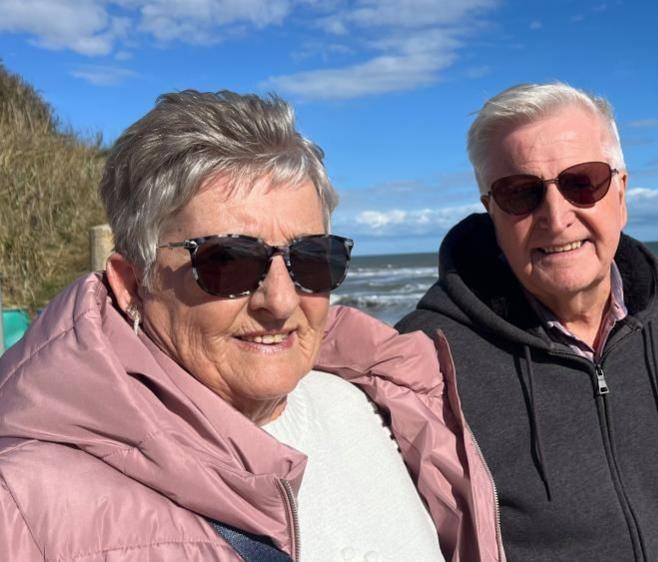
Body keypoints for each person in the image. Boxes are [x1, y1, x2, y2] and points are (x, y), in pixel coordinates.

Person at [0, 91, 501, 561]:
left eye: (312, 260)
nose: (281, 302)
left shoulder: (379, 402)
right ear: (133, 282)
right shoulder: (23, 505)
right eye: (229, 262)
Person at [397, 82, 658, 561]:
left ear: (621, 193)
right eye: (521, 194)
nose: (556, 217)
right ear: (491, 212)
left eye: (582, 182)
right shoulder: (428, 356)